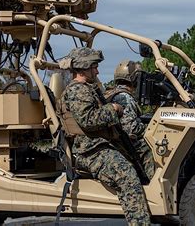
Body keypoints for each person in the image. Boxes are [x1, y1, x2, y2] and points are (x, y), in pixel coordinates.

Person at [58, 47, 151, 225]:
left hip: (99, 145)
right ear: (83, 67)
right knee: (126, 176)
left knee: (143, 152)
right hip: (89, 150)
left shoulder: (88, 89)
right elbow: (88, 120)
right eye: (94, 66)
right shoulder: (78, 91)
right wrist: (114, 109)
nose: (97, 71)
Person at [106, 60, 155, 179]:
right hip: (124, 144)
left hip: (116, 140)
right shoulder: (125, 97)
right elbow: (130, 128)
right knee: (150, 147)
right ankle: (153, 183)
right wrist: (152, 129)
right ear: (133, 79)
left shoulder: (114, 93)